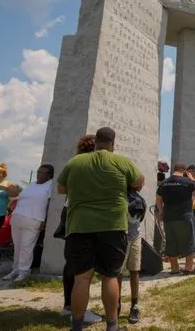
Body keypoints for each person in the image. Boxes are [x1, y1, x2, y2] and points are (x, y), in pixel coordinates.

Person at [57, 127, 144, 331]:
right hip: (112, 226)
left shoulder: (75, 162)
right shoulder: (121, 161)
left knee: (81, 278)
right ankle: (112, 326)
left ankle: (76, 326)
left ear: (95, 141)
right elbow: (138, 182)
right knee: (110, 276)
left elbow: (61, 188)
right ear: (113, 143)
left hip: (79, 226)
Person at [59, 134, 103, 325]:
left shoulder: (75, 163)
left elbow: (63, 189)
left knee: (72, 262)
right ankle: (78, 311)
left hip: (70, 212)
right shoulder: (94, 165)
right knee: (84, 268)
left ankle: (68, 306)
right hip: (86, 216)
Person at [4, 164, 54, 283]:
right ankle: (15, 269)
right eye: (38, 172)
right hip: (18, 217)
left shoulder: (50, 185)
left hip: (34, 218)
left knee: (26, 247)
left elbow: (50, 203)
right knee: (17, 246)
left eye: (42, 172)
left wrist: (45, 220)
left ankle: (24, 271)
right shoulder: (31, 185)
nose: (39, 174)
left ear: (49, 176)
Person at [156, 163, 195, 275]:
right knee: (189, 241)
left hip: (168, 217)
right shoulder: (186, 181)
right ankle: (189, 268)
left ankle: (174, 268)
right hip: (184, 216)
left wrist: (161, 212)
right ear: (184, 171)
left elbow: (158, 198)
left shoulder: (164, 183)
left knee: (171, 242)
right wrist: (190, 176)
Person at [118, 184, 147, 324]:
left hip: (135, 237)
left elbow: (139, 218)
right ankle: (115, 304)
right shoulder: (120, 198)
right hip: (121, 238)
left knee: (134, 271)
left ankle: (134, 305)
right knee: (119, 272)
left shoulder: (140, 200)